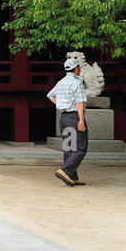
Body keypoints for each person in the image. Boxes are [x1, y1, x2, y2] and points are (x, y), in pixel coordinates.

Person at [47, 57, 87, 187]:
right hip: (74, 117)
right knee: (81, 148)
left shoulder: (61, 82)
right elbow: (79, 102)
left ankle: (72, 176)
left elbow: (50, 95)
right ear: (76, 69)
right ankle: (65, 171)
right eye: (79, 68)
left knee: (69, 147)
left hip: (64, 117)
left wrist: (61, 104)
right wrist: (81, 120)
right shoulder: (77, 83)